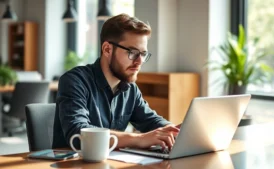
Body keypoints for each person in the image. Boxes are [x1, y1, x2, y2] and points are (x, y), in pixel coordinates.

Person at [52, 14, 179, 150]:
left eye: (143, 54)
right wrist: (140, 139)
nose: (139, 61)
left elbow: (151, 121)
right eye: (132, 52)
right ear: (107, 49)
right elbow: (78, 133)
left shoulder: (130, 88)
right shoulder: (74, 81)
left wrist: (175, 131)